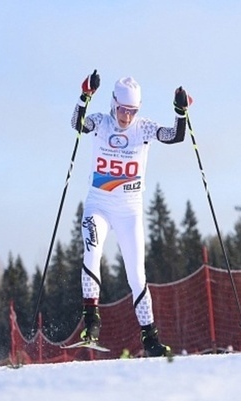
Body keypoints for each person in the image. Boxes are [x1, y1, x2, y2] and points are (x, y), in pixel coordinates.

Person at [70, 70, 190, 357]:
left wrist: (180, 111)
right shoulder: (101, 122)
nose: (126, 117)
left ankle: (150, 339)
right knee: (92, 253)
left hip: (129, 210)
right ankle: (91, 322)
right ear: (114, 104)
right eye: (123, 110)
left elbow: (175, 137)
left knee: (137, 275)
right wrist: (84, 95)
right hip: (98, 204)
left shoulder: (144, 128)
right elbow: (78, 124)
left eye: (132, 111)